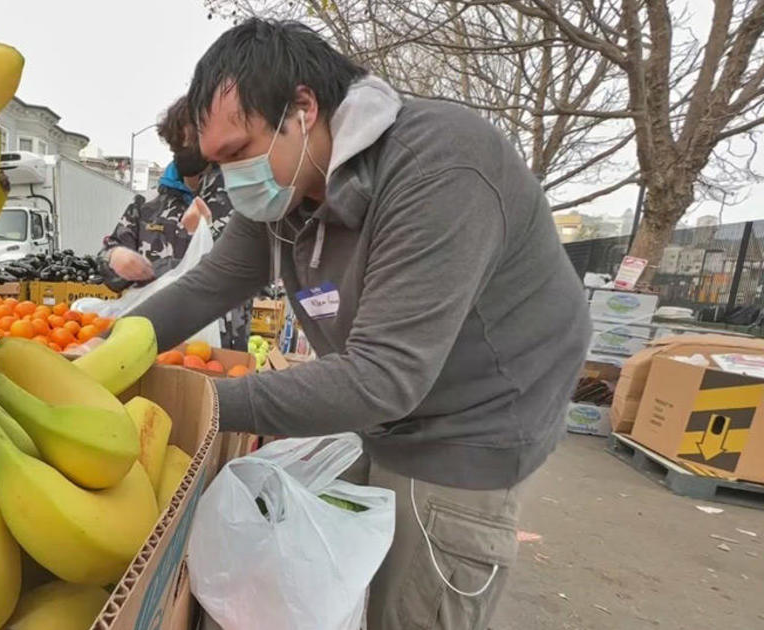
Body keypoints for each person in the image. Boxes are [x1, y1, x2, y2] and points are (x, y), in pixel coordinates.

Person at [124, 19, 591, 630]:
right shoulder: (286, 186)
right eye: (217, 164)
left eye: (238, 153)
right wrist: (109, 349)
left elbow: (382, 377)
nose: (232, 178)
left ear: (303, 107)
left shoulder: (440, 168)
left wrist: (184, 397)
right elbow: (207, 286)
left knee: (411, 604)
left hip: (472, 427)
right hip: (384, 418)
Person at [99, 98, 248, 349]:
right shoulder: (146, 208)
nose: (183, 149)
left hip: (220, 346)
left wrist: (207, 230)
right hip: (153, 345)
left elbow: (245, 268)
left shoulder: (239, 198)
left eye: (191, 140)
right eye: (176, 143)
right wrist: (114, 257)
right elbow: (106, 265)